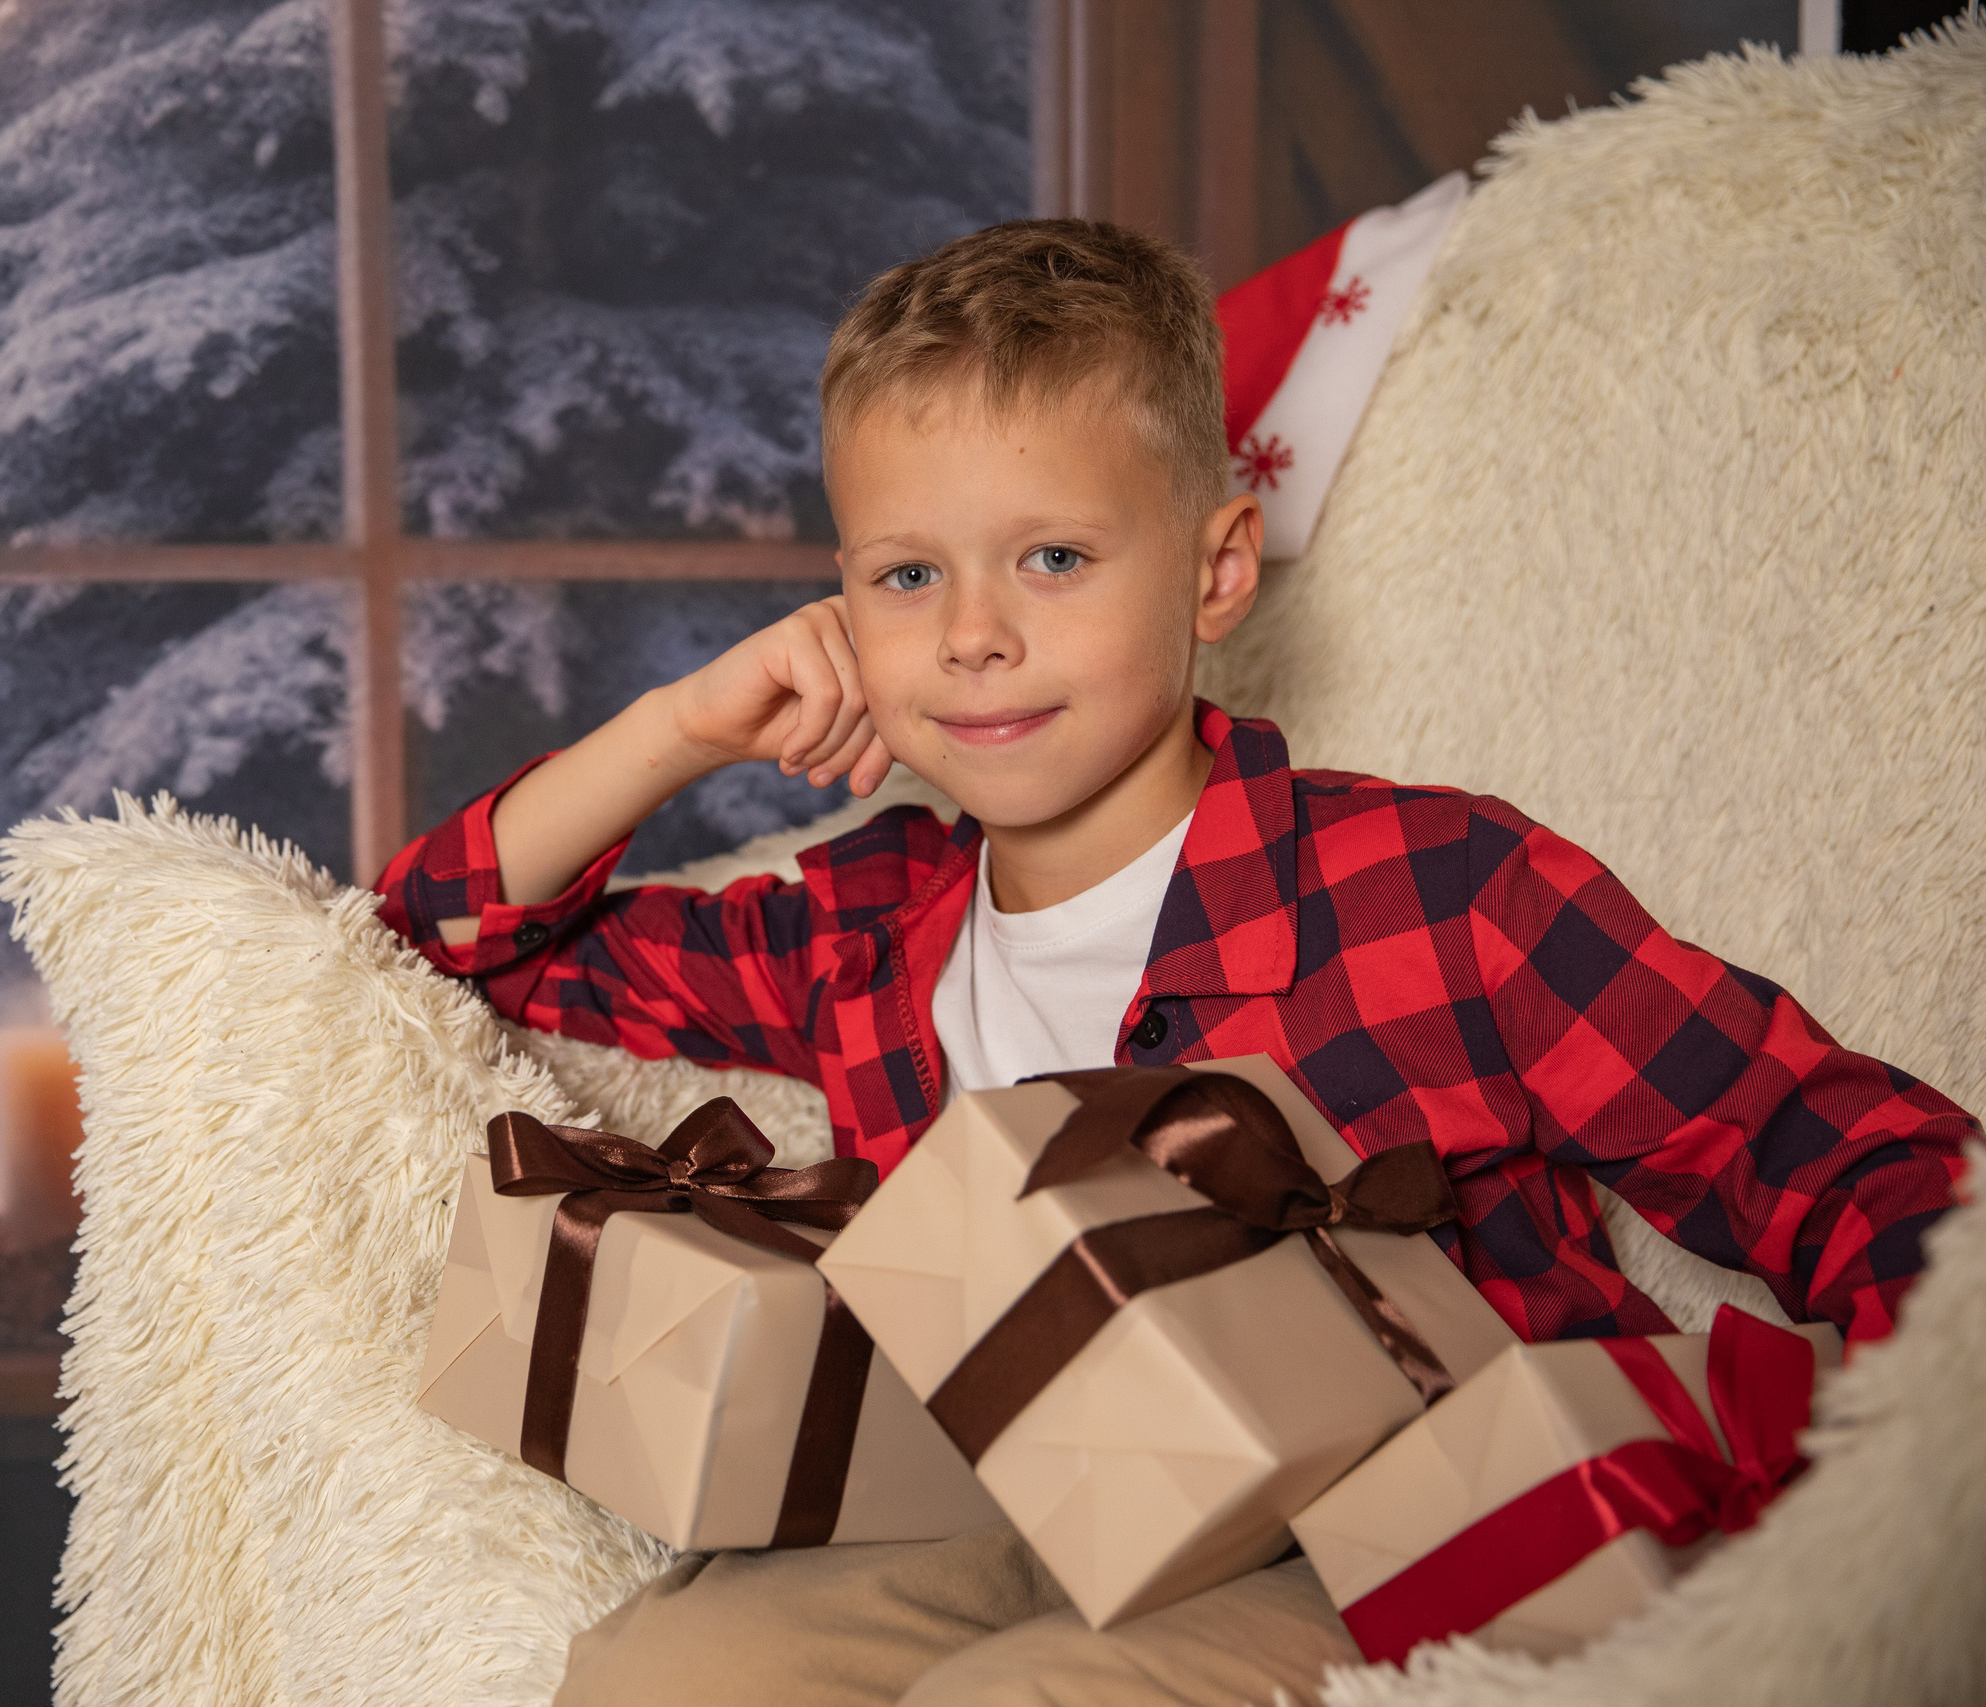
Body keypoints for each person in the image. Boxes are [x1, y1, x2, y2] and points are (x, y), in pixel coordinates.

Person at [376, 219, 1973, 1707]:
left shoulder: (1439, 889)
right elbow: (442, 937)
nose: (973, 635)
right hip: (1043, 1496)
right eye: (908, 575)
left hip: (1415, 1515)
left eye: (1055, 559)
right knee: (668, 1675)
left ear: (1216, 571)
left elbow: (1837, 1156)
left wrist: (1898, 1509)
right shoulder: (858, 937)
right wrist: (675, 731)